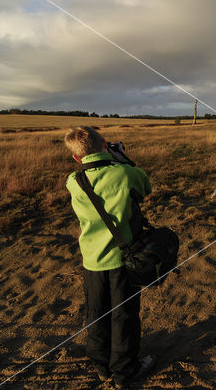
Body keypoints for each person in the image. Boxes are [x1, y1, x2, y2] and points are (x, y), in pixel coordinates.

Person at [64, 126, 155, 388]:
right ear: (105, 144)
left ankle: (101, 365)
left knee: (96, 313)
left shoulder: (73, 181)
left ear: (76, 159)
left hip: (91, 261)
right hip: (123, 260)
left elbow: (89, 172)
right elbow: (145, 187)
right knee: (124, 315)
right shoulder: (125, 173)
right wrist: (121, 158)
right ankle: (126, 371)